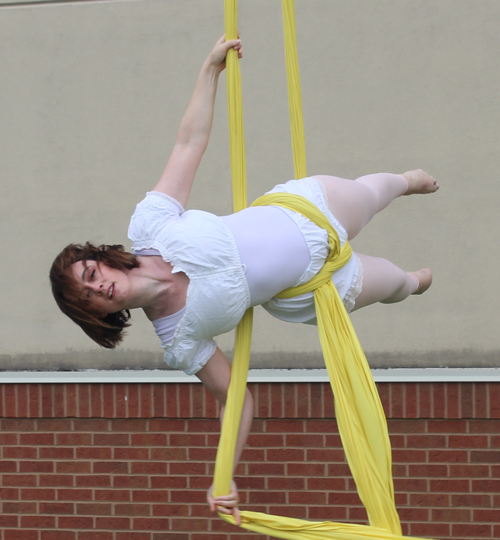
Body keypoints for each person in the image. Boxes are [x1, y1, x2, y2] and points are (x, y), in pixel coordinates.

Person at [50, 35, 439, 524]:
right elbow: (237, 399)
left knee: (375, 190)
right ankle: (417, 281)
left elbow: (188, 142)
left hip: (306, 213)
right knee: (399, 286)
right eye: (88, 300)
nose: (97, 288)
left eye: (90, 274)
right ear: (100, 317)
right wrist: (225, 475)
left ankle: (407, 180)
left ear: (101, 259)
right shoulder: (179, 337)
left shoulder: (150, 227)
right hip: (312, 288)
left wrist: (209, 70)